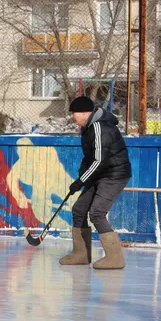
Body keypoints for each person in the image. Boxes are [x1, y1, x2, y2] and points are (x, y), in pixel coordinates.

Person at [60, 96, 132, 270]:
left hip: (114, 174)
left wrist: (81, 181)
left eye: (73, 113)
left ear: (85, 113)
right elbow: (89, 157)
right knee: (79, 209)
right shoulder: (88, 128)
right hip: (99, 174)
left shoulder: (100, 127)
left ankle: (115, 258)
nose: (72, 116)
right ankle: (81, 254)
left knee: (97, 213)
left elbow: (99, 160)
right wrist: (81, 176)